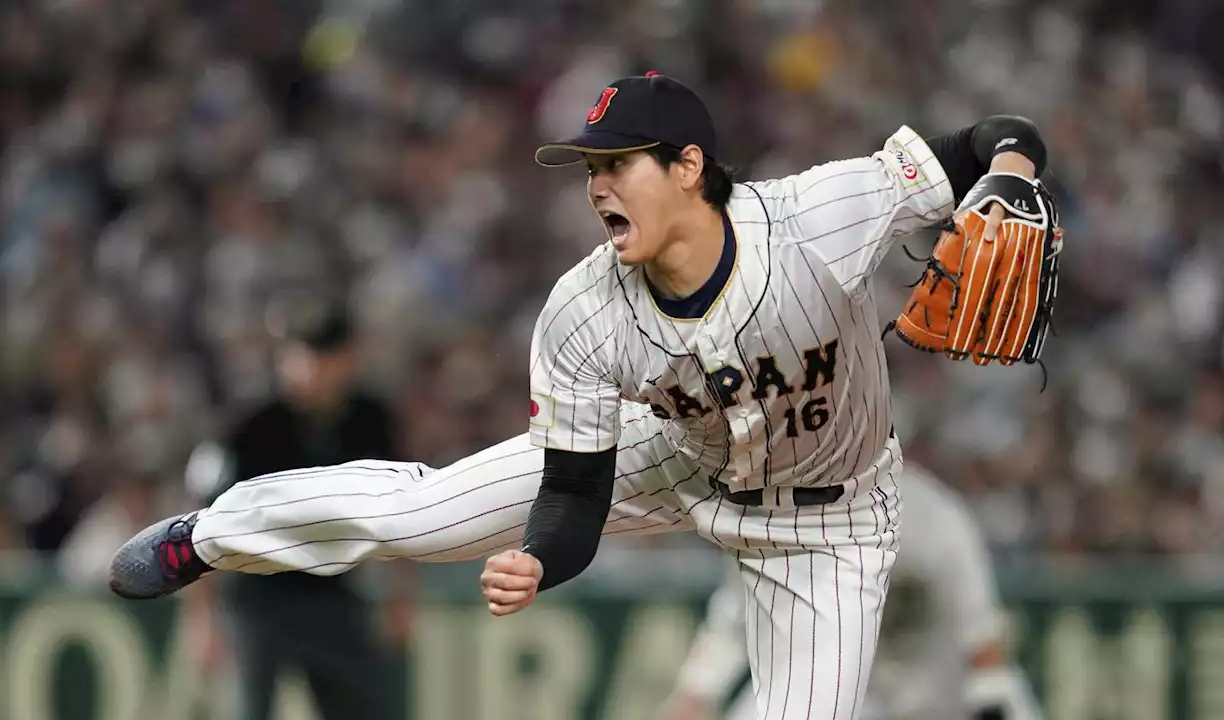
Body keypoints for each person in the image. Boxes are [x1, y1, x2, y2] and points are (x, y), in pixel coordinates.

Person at [108, 72, 1056, 718]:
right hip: (674, 455)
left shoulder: (821, 217)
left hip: (831, 529)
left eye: (619, 163)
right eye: (590, 168)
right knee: (423, 513)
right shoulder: (582, 310)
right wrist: (541, 562)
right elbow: (571, 493)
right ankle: (211, 534)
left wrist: (1012, 178)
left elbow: (1001, 137)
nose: (597, 184)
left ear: (689, 166)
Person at [656, 464, 1044, 720]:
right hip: (852, 693)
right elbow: (736, 620)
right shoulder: (775, 518)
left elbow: (982, 638)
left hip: (940, 688)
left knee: (1014, 702)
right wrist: (695, 694)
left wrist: (990, 698)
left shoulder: (933, 518)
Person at [182, 300, 413, 720]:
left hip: (330, 589)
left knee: (364, 707)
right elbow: (203, 520)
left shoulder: (370, 419)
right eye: (301, 355)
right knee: (253, 709)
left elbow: (405, 508)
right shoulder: (252, 423)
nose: (310, 369)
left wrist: (400, 597)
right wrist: (203, 618)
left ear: (348, 359)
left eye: (322, 356)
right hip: (258, 593)